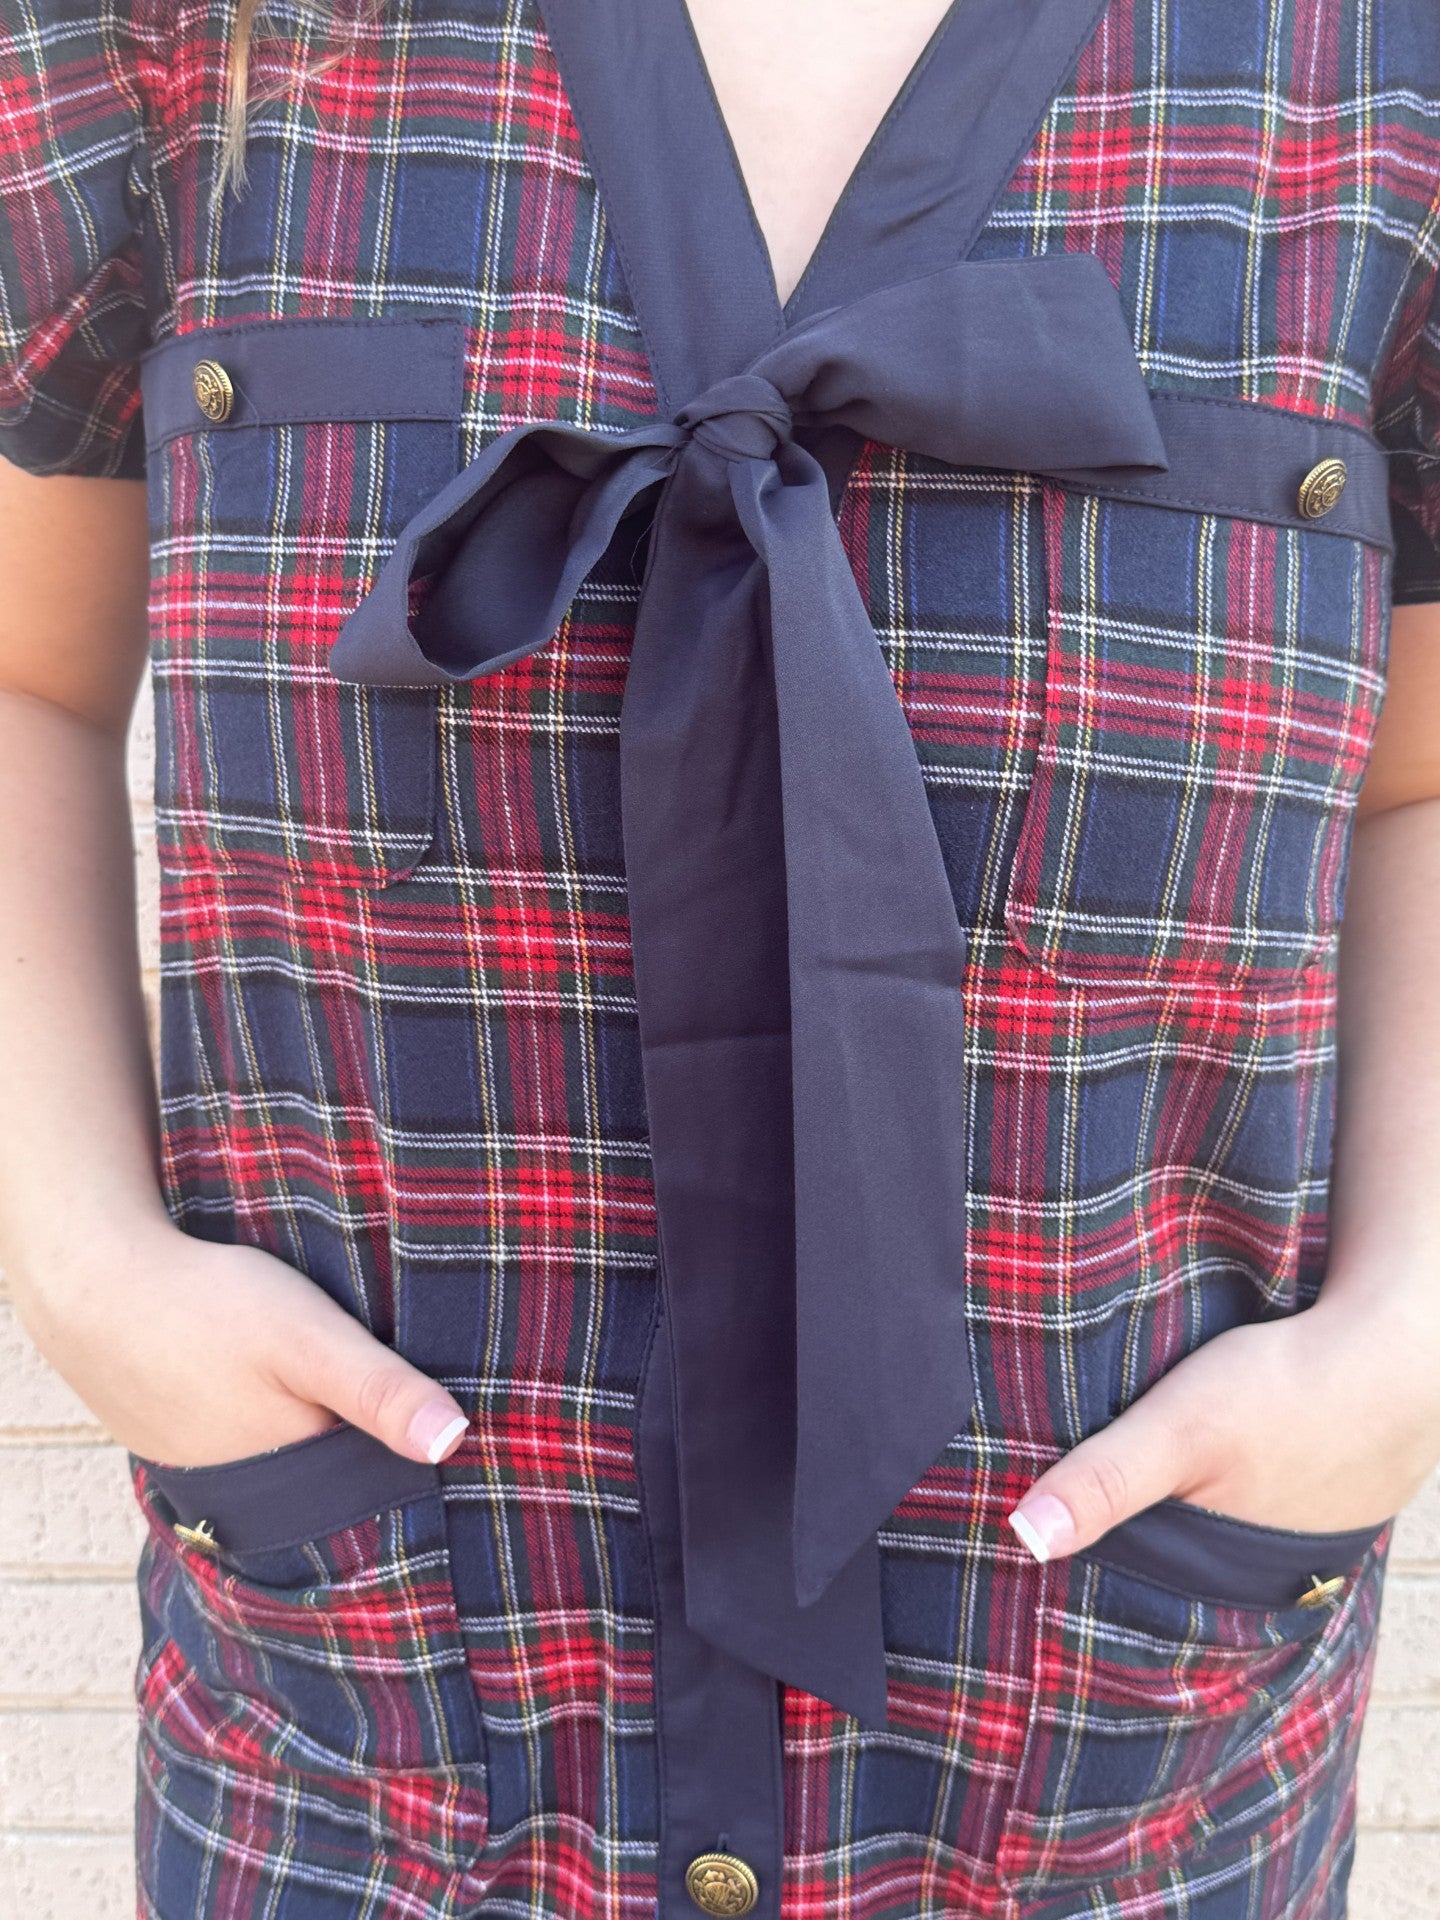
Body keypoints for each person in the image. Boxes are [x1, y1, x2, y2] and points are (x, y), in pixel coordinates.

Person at [1, 0, 1438, 1914]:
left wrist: (1403, 1342)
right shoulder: (169, 39)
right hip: (379, 1751)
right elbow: (25, 673)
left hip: (1120, 1758)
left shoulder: (1376, 66)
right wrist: (83, 1264)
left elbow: (1419, 785)